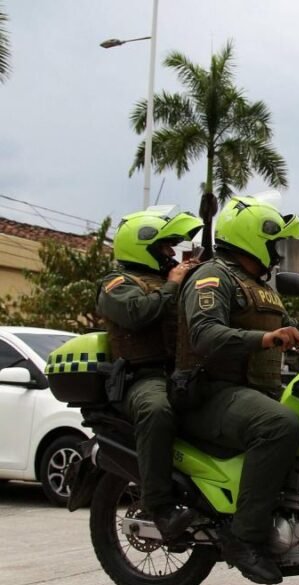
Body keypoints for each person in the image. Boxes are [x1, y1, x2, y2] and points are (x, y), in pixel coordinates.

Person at [174, 195, 299, 585]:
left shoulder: (258, 286)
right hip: (210, 393)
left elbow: (280, 328)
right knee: (279, 425)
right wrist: (267, 338)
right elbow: (205, 334)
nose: (277, 253)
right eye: (273, 243)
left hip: (250, 393)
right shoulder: (212, 277)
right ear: (252, 238)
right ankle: (245, 539)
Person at [96, 207, 203, 540]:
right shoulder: (117, 283)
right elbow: (136, 313)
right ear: (141, 247)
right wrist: (173, 286)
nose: (171, 254)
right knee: (156, 410)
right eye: (164, 248)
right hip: (143, 377)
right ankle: (159, 507)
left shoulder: (172, 283)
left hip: (182, 374)